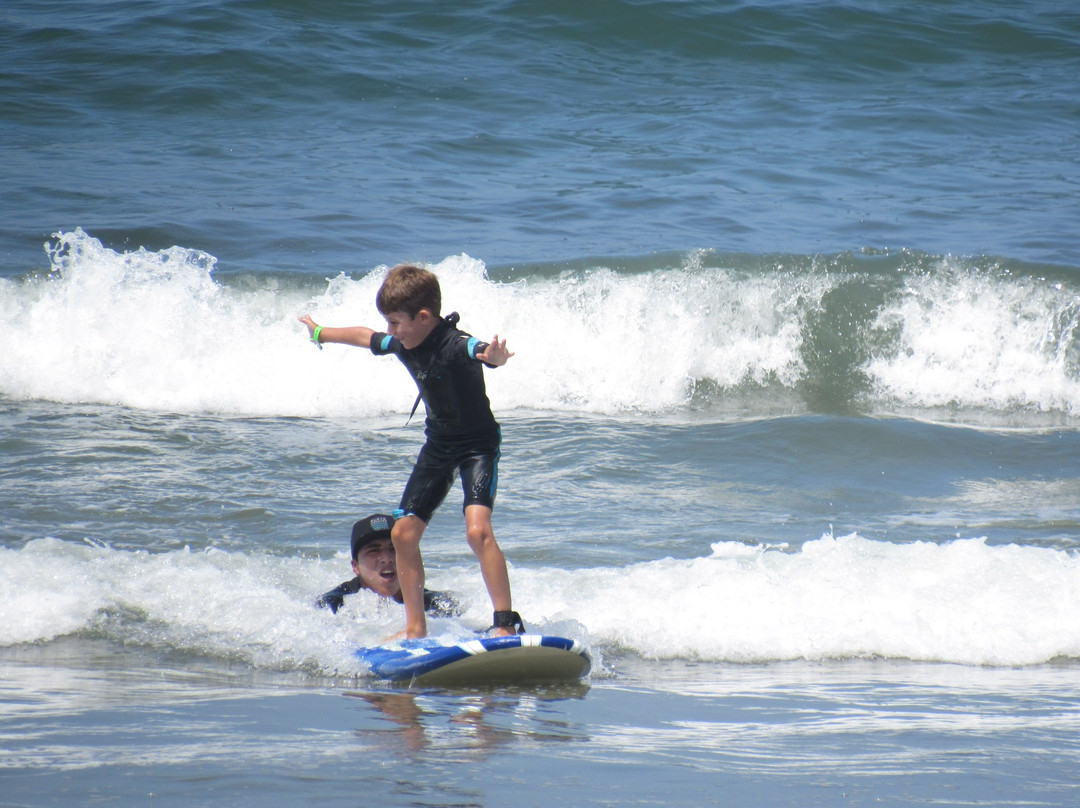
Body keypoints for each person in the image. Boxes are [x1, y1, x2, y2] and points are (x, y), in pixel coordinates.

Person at [299, 263, 524, 639]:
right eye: (388, 323)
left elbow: (482, 351)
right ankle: (416, 627)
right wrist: (321, 332)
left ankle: (505, 622)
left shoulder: (456, 345)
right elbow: (365, 336)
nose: (391, 332)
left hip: (477, 447)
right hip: (438, 446)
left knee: (477, 532)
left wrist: (497, 356)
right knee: (403, 534)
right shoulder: (404, 341)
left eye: (395, 322)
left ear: (423, 317)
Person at [316, 513, 459, 617]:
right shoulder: (333, 604)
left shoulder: (436, 603)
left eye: (394, 549)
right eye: (374, 551)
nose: (386, 558)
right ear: (355, 566)